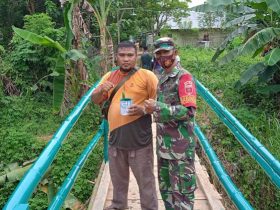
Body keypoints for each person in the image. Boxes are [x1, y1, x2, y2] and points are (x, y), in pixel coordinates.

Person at [91, 41, 158, 210]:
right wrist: (100, 90)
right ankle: (118, 206)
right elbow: (95, 100)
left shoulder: (147, 76)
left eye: (130, 55)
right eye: (122, 55)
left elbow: (159, 103)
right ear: (116, 57)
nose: (126, 59)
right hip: (115, 139)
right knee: (118, 180)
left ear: (136, 57)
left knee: (146, 182)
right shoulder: (109, 76)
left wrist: (143, 109)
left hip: (140, 141)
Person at [144, 37, 197, 210]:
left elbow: (188, 111)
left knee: (182, 197)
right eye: (158, 53)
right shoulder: (163, 76)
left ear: (175, 52)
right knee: (166, 194)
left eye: (166, 52)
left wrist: (157, 107)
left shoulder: (184, 77)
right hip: (164, 148)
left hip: (180, 151)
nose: (162, 56)